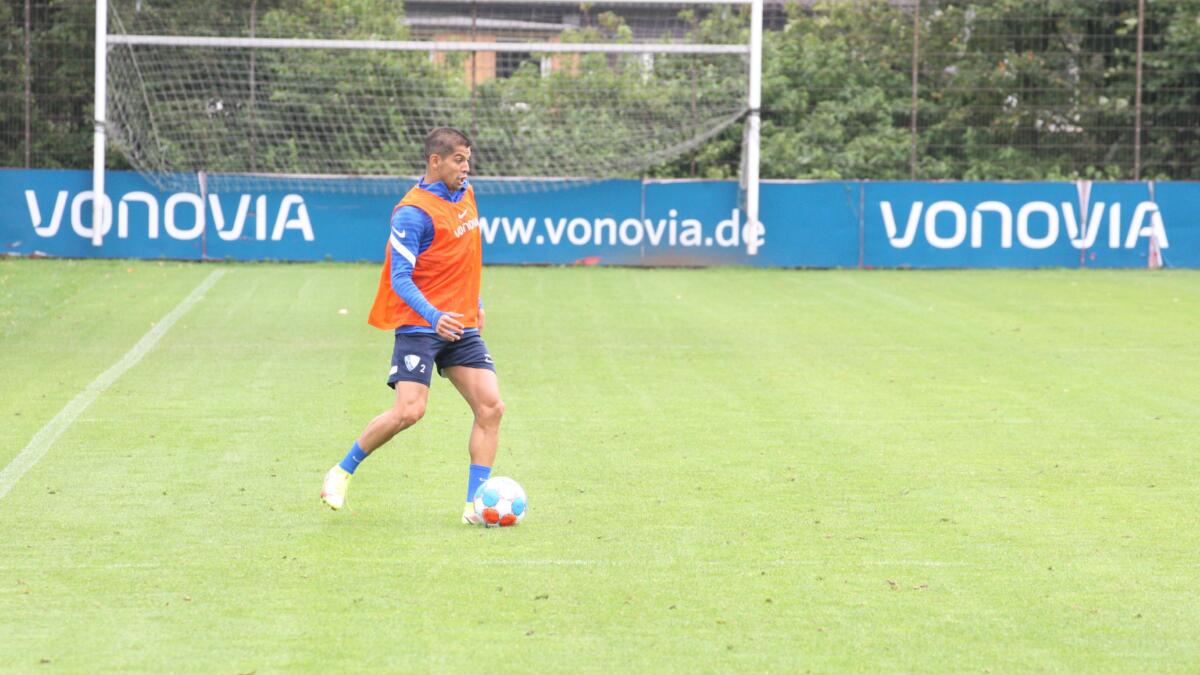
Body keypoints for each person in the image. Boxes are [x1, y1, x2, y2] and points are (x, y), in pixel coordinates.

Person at [321, 127, 503, 525]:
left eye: (468, 158)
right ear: (434, 161)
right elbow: (400, 277)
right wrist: (435, 316)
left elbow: (465, 259)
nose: (466, 167)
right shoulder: (412, 212)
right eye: (458, 159)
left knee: (491, 407)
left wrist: (477, 303)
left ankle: (475, 507)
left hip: (460, 323)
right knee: (409, 411)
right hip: (422, 324)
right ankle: (341, 471)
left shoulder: (467, 195)